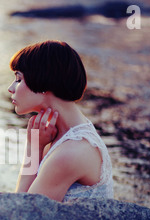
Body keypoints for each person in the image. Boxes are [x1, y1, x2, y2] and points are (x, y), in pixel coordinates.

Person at [8, 40, 113, 202]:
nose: (11, 88)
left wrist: (33, 148)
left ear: (43, 81)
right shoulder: (69, 130)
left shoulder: (70, 153)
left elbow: (21, 211)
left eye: (18, 79)